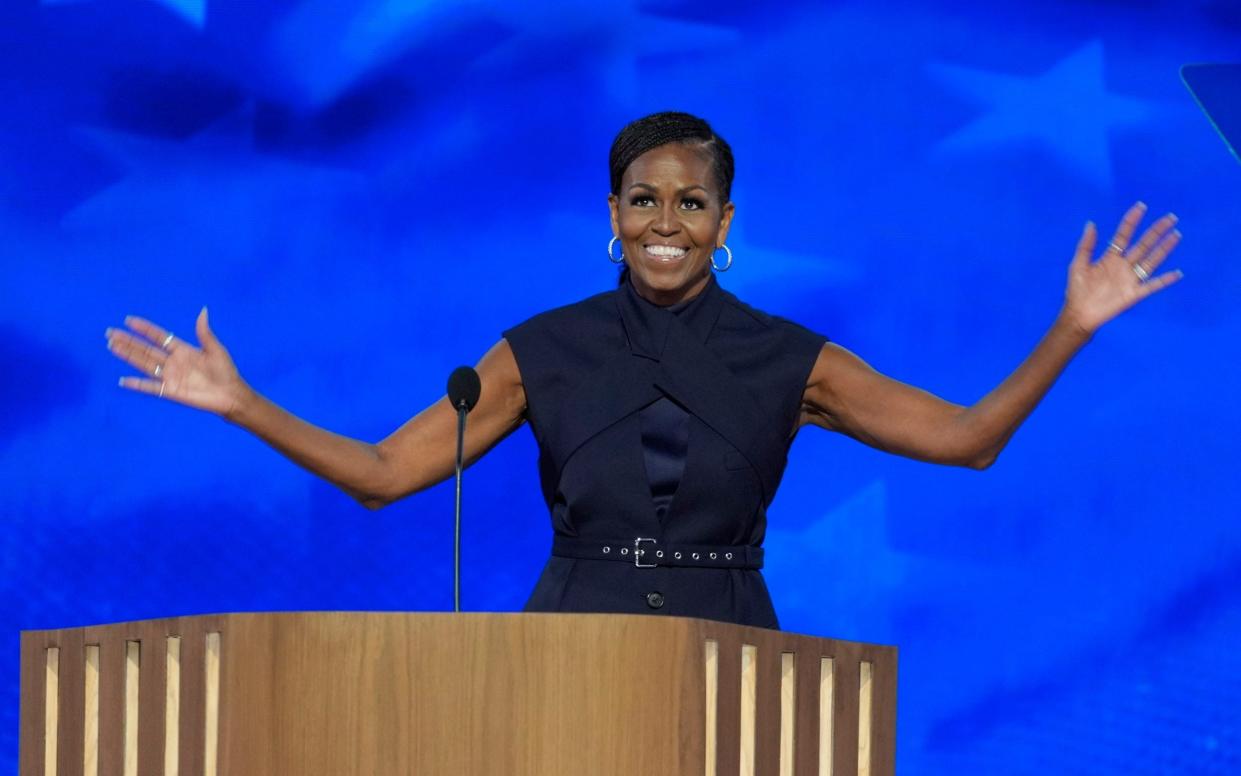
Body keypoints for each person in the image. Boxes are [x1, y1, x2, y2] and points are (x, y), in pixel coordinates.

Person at [105, 112, 1183, 629]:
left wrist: (1069, 326)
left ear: (723, 225)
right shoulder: (540, 348)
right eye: (642, 199)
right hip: (569, 641)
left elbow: (966, 440)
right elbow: (385, 471)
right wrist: (243, 402)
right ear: (612, 215)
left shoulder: (788, 357)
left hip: (734, 652)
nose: (664, 220)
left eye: (689, 202)